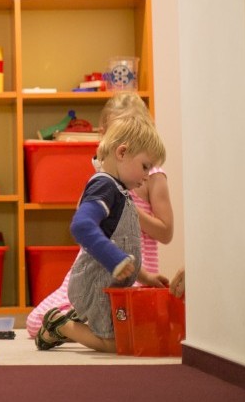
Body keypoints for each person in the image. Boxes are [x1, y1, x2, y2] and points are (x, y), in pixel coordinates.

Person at [25, 93, 174, 339]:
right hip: (102, 269)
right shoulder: (108, 179)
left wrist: (128, 210)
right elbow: (84, 225)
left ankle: (75, 324)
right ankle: (69, 323)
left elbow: (164, 232)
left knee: (139, 331)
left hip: (129, 273)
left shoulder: (146, 175)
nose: (145, 173)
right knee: (36, 322)